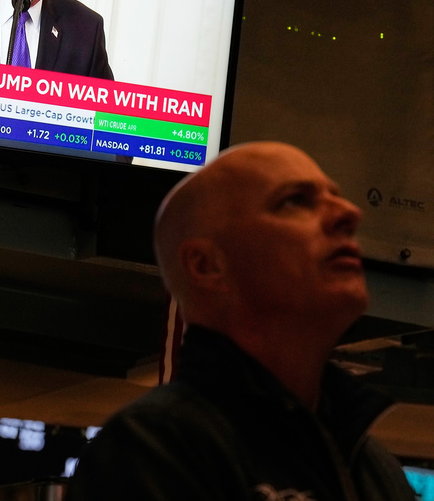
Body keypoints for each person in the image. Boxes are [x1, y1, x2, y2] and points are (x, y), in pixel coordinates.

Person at [68, 141, 414, 501]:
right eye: (295, 200)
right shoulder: (152, 447)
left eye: (336, 196)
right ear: (207, 264)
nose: (349, 212)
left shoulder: (373, 465)